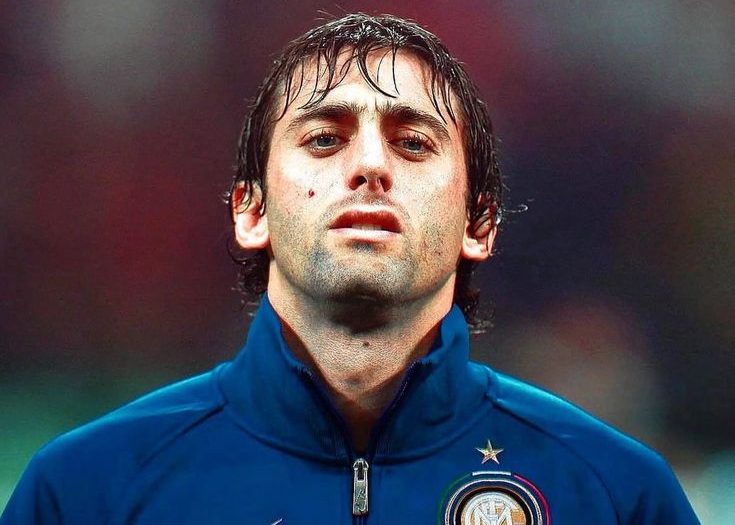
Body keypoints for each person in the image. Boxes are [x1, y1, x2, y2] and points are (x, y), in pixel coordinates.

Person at [1, 13, 699, 525]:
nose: (368, 166)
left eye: (413, 142)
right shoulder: (85, 491)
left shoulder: (614, 494)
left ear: (479, 224)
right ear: (251, 210)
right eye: (324, 138)